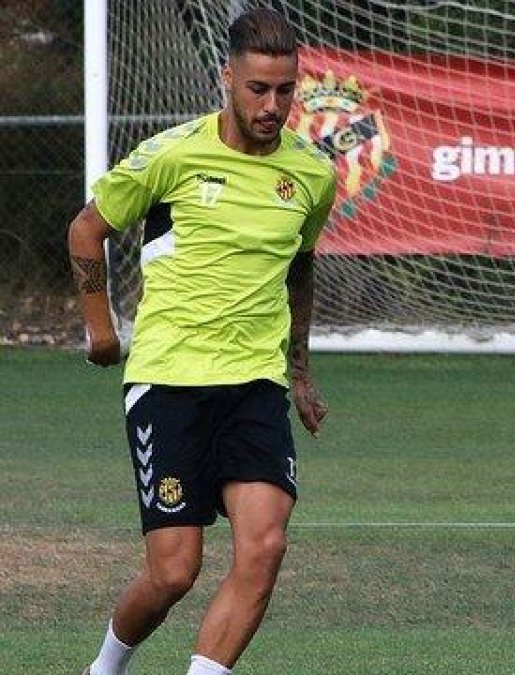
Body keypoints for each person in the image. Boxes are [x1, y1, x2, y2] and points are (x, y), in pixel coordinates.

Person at [67, 8, 336, 675]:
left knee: (264, 546)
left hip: (254, 385)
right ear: (227, 79)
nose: (273, 106)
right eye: (258, 90)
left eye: (285, 91)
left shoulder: (311, 176)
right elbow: (86, 228)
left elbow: (300, 268)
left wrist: (299, 371)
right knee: (173, 572)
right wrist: (101, 328)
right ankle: (104, 668)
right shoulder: (173, 155)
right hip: (169, 380)